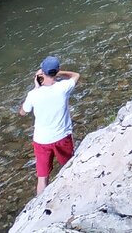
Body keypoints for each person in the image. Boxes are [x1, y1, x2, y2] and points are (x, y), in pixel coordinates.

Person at [19, 56, 80, 195]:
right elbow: (75, 75)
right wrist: (59, 73)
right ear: (56, 70)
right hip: (62, 137)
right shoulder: (64, 87)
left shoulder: (33, 94)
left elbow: (23, 112)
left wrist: (36, 87)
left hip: (42, 141)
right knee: (69, 167)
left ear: (42, 73)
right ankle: (72, 194)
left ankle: (40, 207)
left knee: (42, 178)